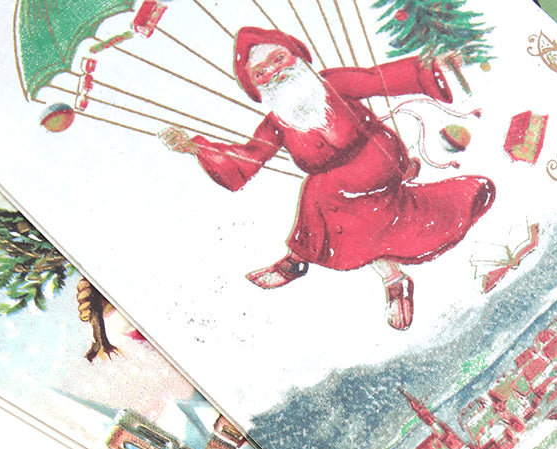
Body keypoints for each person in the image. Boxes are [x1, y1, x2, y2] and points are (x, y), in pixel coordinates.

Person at [160, 26, 495, 330]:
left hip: (376, 158)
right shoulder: (277, 123)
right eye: (262, 72)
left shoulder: (332, 83)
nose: (276, 72)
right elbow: (247, 160)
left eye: (279, 59)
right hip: (338, 191)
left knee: (322, 194)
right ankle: (393, 279)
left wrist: (430, 67)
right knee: (333, 204)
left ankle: (298, 261)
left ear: (297, 55)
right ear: (257, 86)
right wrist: (195, 147)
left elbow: (376, 78)